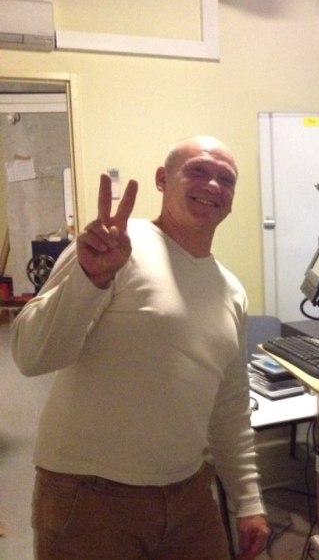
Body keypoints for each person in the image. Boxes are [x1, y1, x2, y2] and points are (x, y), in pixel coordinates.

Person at [12, 136, 271, 560]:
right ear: (162, 179)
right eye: (198, 171)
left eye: (226, 179)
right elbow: (31, 355)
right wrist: (89, 279)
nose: (213, 185)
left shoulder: (230, 290)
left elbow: (230, 407)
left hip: (189, 492)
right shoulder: (115, 245)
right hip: (90, 495)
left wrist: (249, 501)